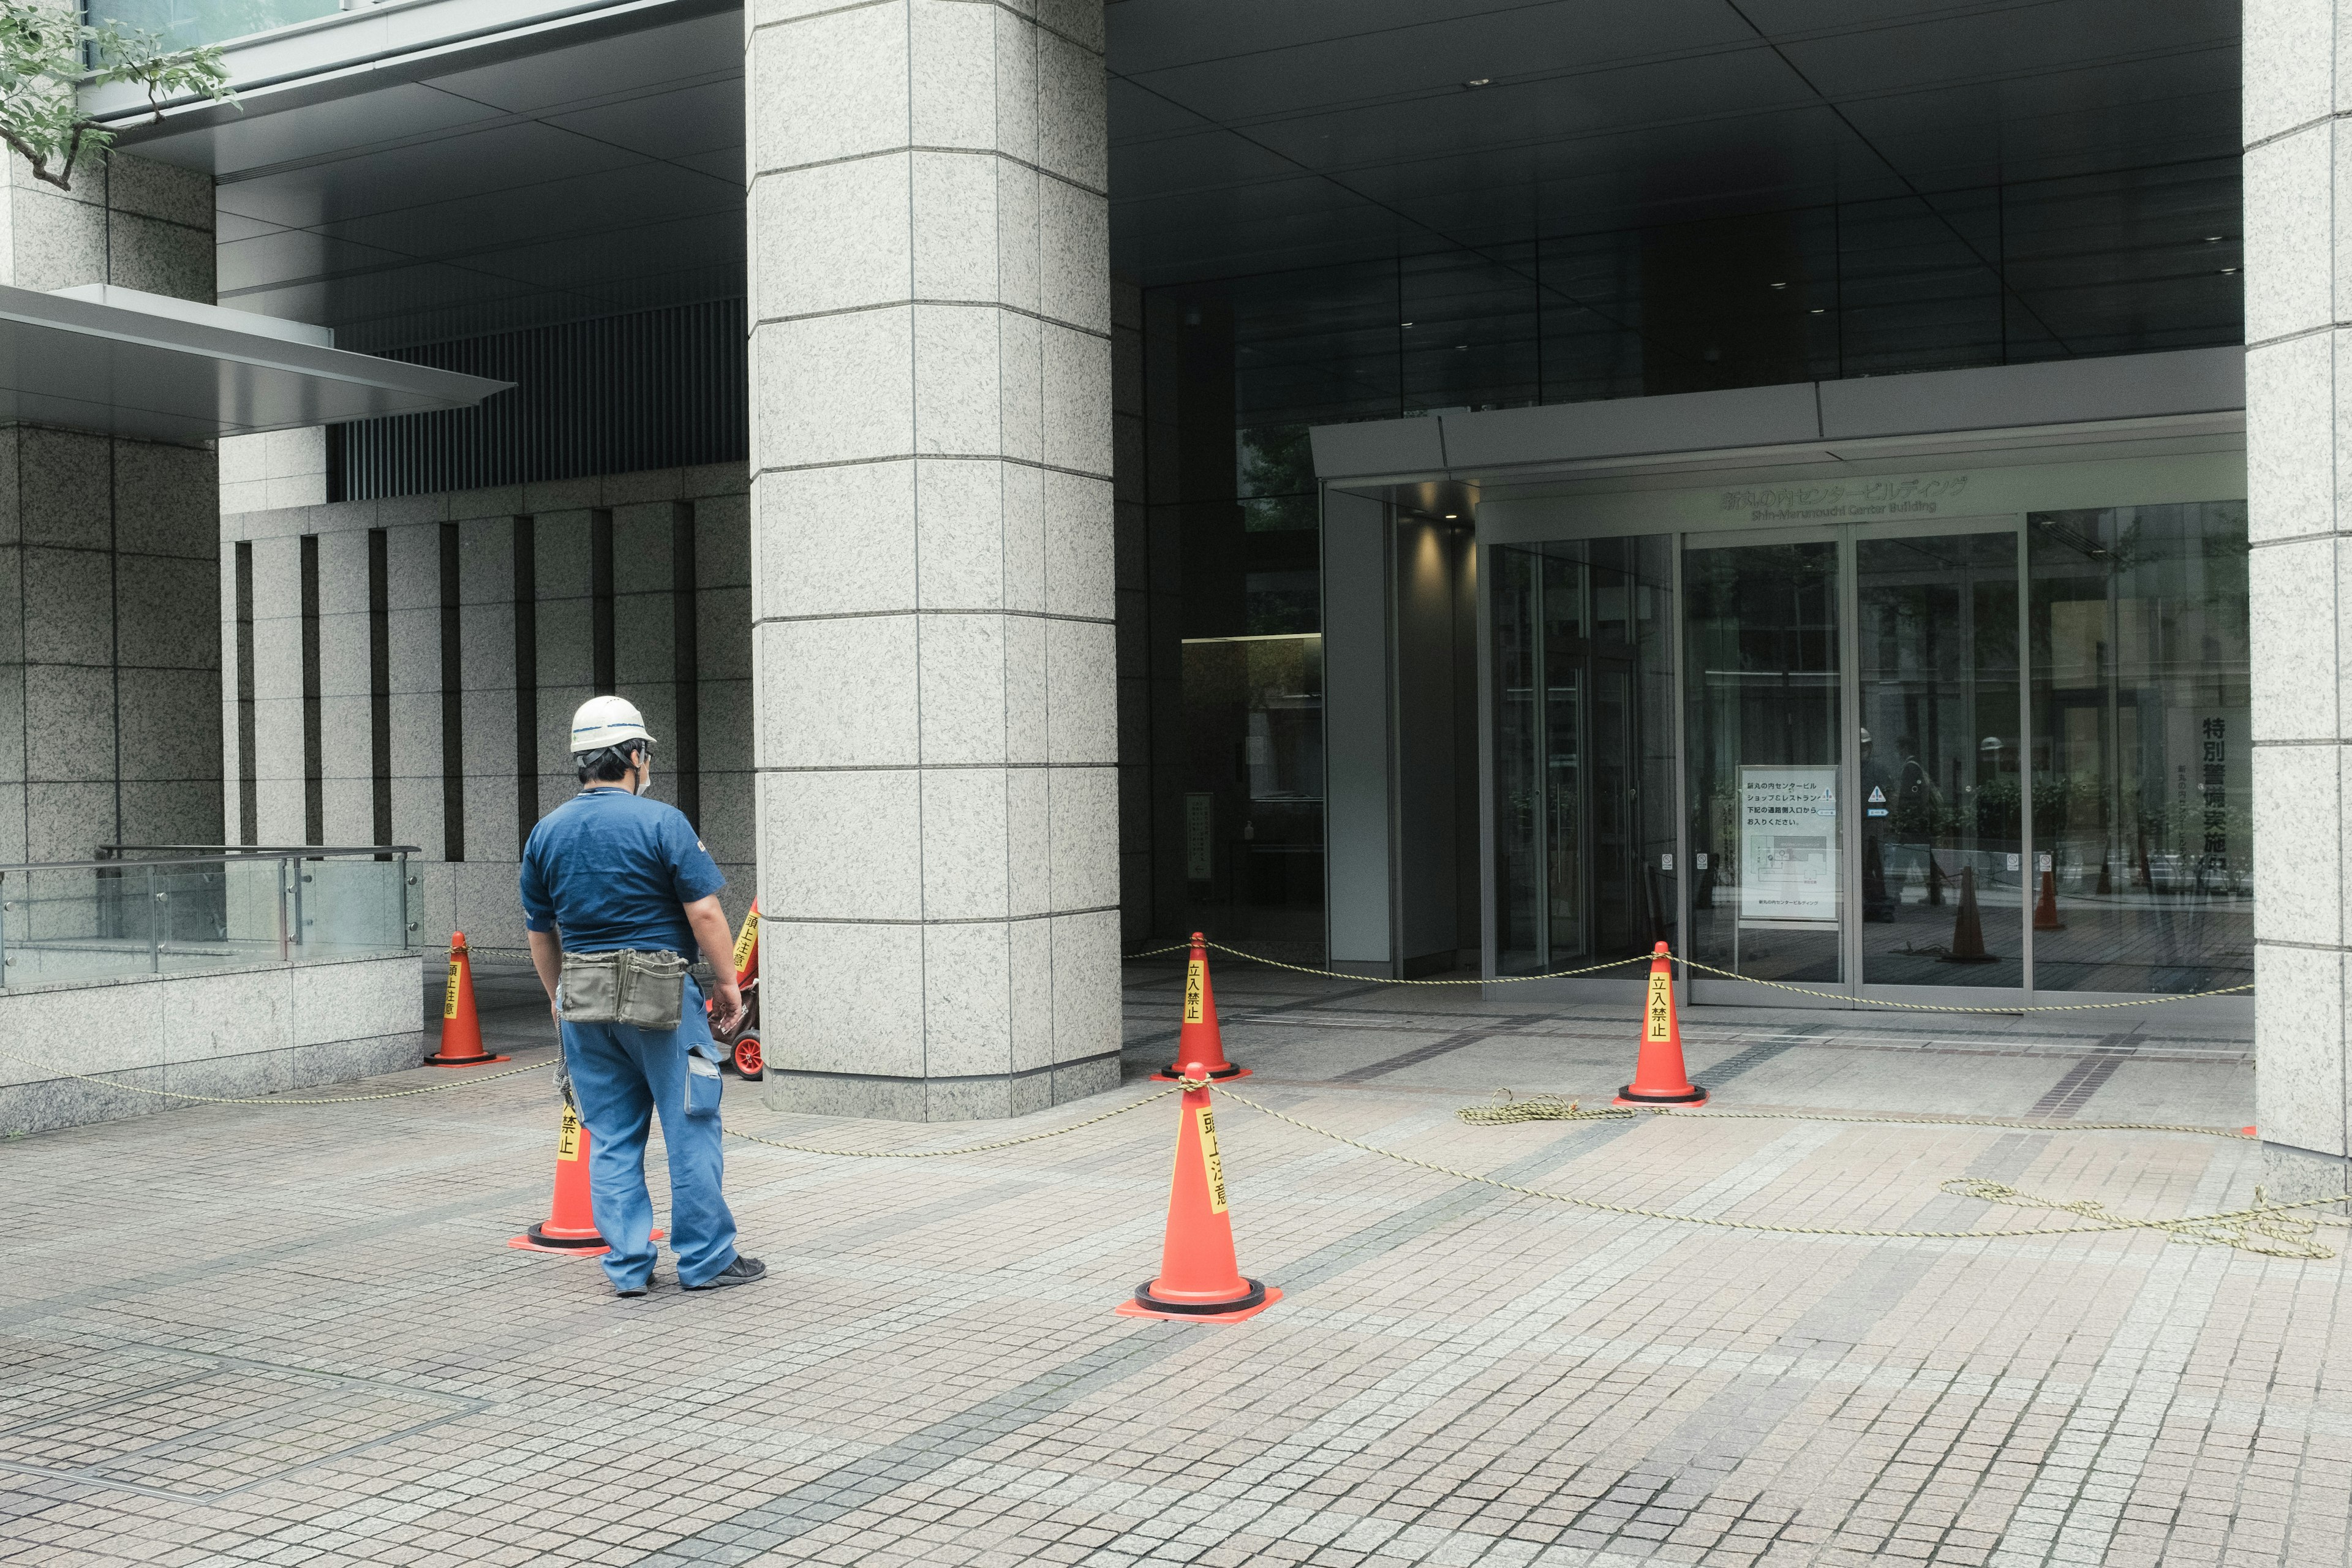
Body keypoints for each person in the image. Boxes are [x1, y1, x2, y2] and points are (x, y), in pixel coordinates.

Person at [521, 695, 764, 1297]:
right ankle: (705, 1260)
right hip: (662, 995)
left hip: (584, 997)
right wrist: (729, 984)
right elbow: (705, 910)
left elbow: (539, 933)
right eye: (645, 753)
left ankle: (629, 1265)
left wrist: (559, 998)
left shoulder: (546, 832)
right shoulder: (661, 823)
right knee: (692, 1124)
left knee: (612, 1135)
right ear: (633, 755)